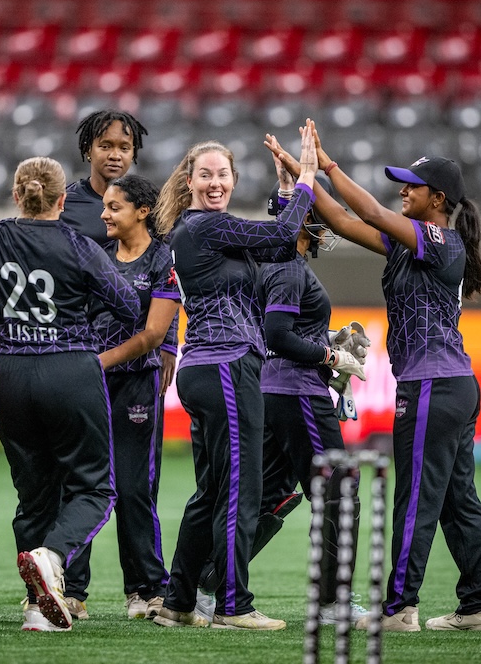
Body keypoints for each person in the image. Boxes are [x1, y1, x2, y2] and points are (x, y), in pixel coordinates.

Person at [266, 120, 481, 633]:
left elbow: (367, 211)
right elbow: (345, 223)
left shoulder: (438, 239)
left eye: (411, 186)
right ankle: (478, 607)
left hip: (432, 387)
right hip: (451, 384)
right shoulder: (412, 242)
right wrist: (304, 176)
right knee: (458, 501)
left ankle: (400, 609)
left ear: (437, 199)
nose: (402, 190)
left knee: (416, 496)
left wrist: (327, 165)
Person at [0, 156, 140, 633]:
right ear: (63, 201)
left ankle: (36, 605)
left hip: (9, 371)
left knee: (33, 492)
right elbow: (128, 304)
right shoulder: (79, 244)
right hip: (69, 368)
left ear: (16, 196)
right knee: (95, 486)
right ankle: (53, 556)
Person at [148, 137, 320, 631]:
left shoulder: (200, 230)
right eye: (205, 175)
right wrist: (306, 178)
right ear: (189, 183)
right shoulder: (206, 226)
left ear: (233, 180)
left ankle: (179, 602)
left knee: (212, 491)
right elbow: (285, 238)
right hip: (226, 366)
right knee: (243, 491)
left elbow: (277, 240)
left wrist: (287, 189)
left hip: (208, 366)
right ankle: (233, 605)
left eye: (223, 174)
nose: (216, 182)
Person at [58, 110, 177, 620]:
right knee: (79, 479)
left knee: (135, 486)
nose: (114, 153)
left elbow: (166, 285)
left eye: (123, 147)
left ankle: (145, 587)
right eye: (104, 144)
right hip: (82, 362)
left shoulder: (157, 221)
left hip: (129, 368)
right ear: (89, 149)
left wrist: (168, 344)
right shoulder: (66, 205)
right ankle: (72, 588)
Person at [254, 164, 370, 625]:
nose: (325, 221)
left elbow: (284, 329)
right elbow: (279, 334)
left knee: (273, 496)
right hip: (297, 391)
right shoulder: (287, 267)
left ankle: (205, 584)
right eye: (317, 212)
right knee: (340, 490)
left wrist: (328, 338)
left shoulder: (276, 264)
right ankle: (331, 602)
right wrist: (331, 356)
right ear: (301, 221)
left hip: (275, 390)